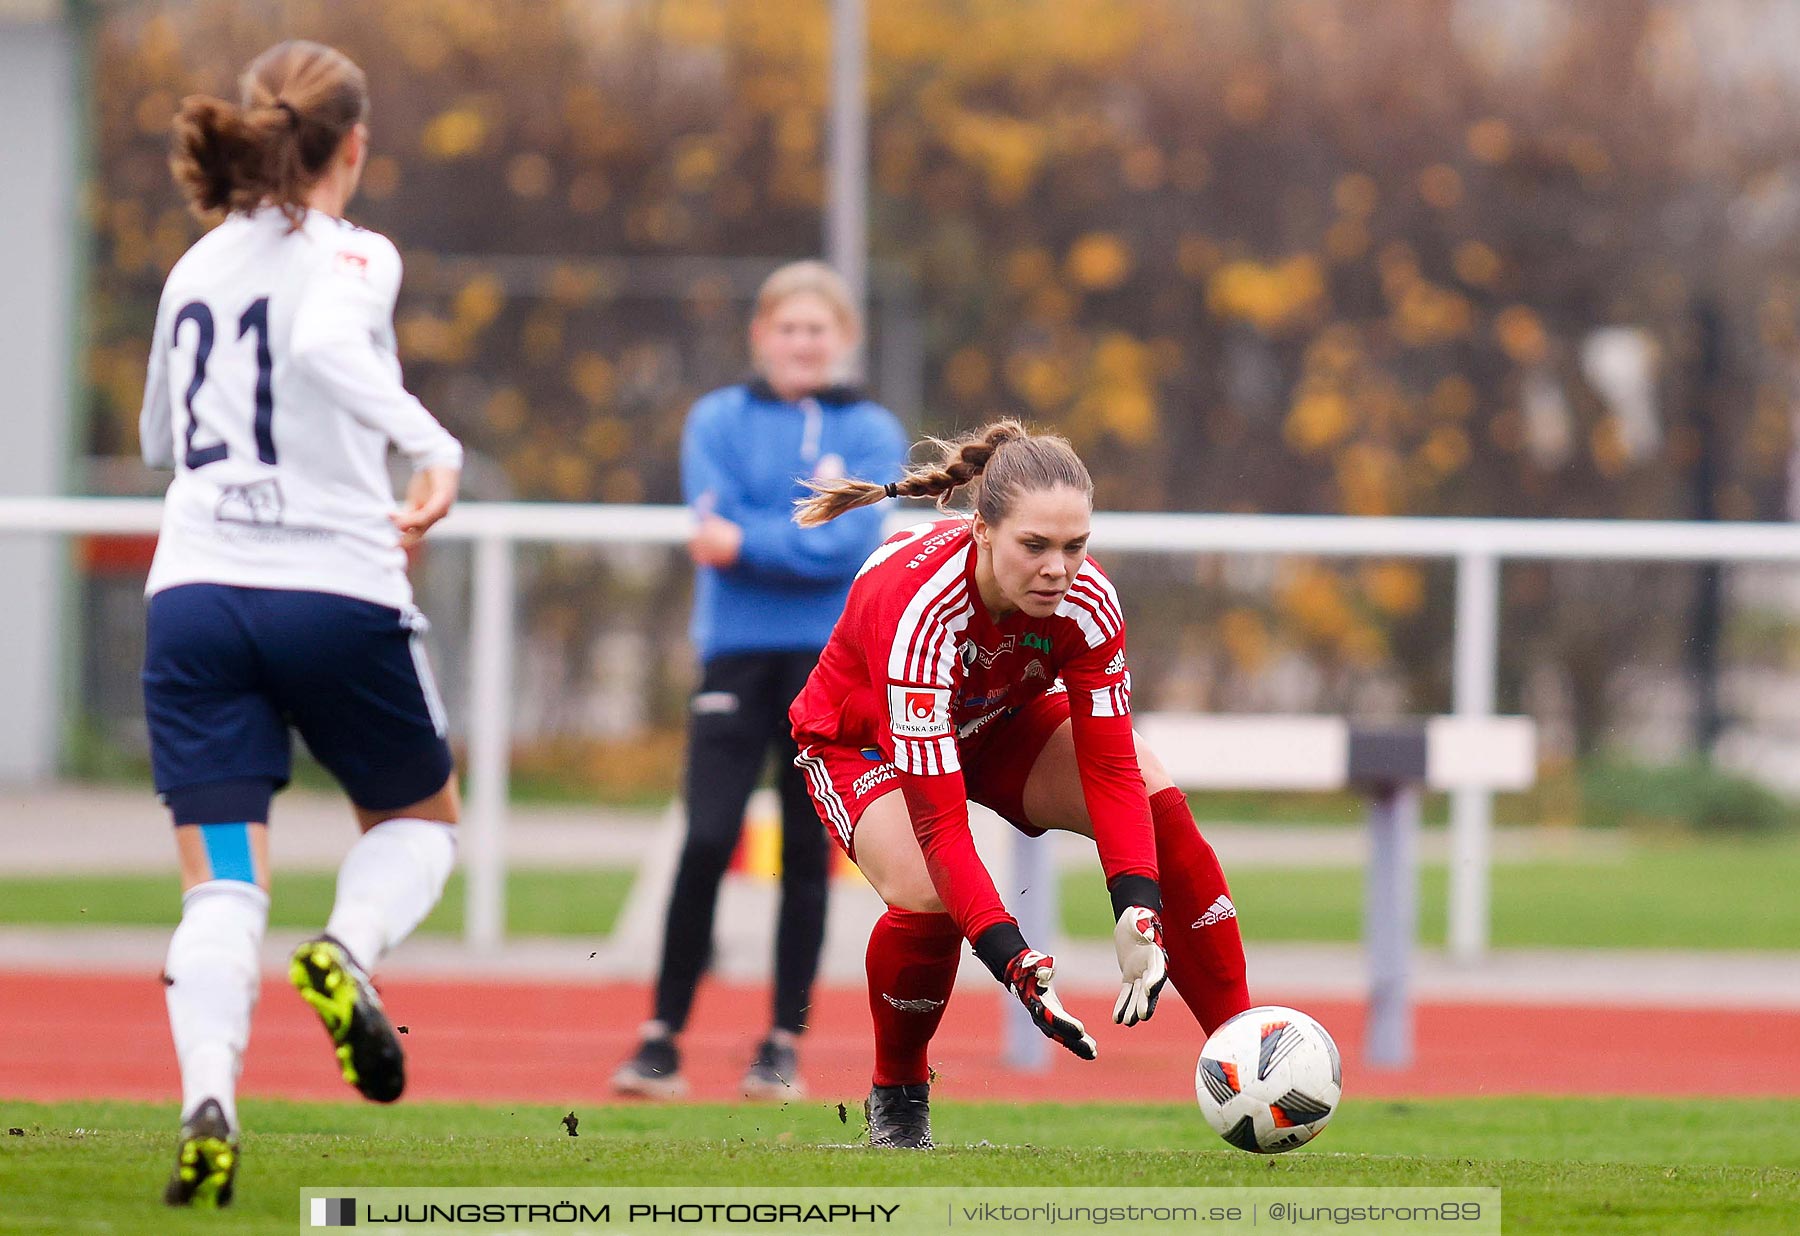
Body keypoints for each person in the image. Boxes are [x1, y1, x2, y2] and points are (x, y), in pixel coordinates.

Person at [138, 41, 464, 1207]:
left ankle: (207, 1105)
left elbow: (158, 442)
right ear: (355, 148)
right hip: (329, 591)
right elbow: (325, 348)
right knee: (422, 824)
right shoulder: (355, 251)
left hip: (197, 600)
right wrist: (434, 444)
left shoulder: (191, 267)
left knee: (223, 887)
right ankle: (350, 952)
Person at [788, 420, 1252, 1148]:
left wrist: (1138, 902)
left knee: (1154, 785)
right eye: (1033, 546)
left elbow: (1111, 767)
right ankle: (900, 1093)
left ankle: (1246, 1051)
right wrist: (1012, 960)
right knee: (924, 886)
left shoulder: (1087, 601)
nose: (1057, 569)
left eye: (1075, 546)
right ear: (980, 529)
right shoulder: (922, 613)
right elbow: (943, 827)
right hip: (864, 740)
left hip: (996, 722)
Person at [612, 262, 907, 1100]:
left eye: (819, 329)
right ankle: (660, 1035)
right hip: (734, 656)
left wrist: (753, 543)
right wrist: (784, 538)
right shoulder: (717, 418)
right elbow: (715, 531)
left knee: (809, 854)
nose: (803, 343)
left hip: (832, 663)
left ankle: (782, 1043)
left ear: (843, 340)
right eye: (789, 328)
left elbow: (844, 548)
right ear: (762, 335)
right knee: (706, 839)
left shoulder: (878, 432)